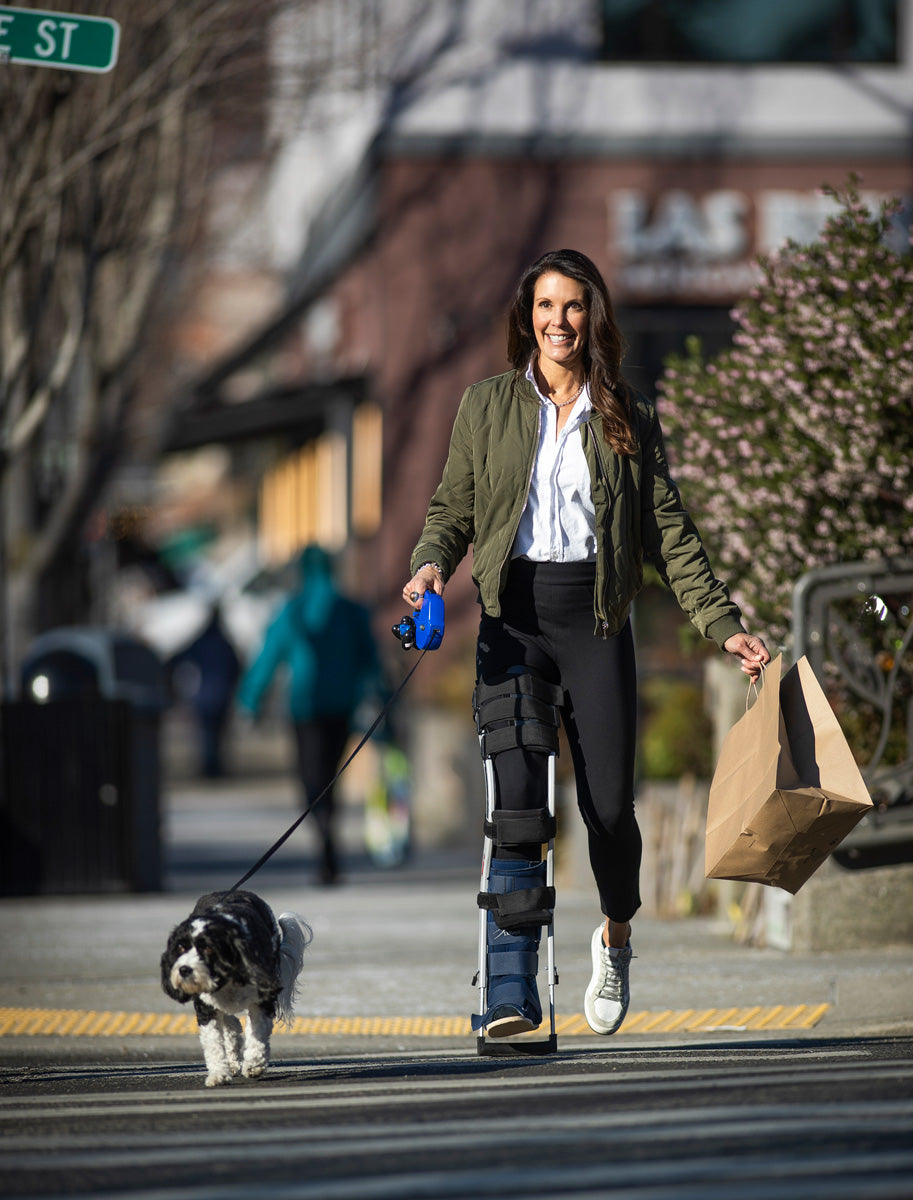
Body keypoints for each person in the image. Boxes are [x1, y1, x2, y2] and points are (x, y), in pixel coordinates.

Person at [402, 248, 769, 1040]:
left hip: (596, 624)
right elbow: (450, 510)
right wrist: (430, 565)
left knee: (607, 813)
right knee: (519, 809)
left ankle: (616, 937)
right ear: (525, 316)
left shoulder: (627, 417)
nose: (557, 321)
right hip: (512, 624)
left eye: (571, 306)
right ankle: (510, 985)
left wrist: (724, 625)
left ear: (591, 316)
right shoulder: (486, 406)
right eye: (544, 306)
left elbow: (669, 537)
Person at [238, 544, 381, 885]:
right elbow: (370, 661)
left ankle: (323, 836)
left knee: (310, 779)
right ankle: (329, 830)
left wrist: (250, 701)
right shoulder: (352, 611)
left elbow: (268, 658)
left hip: (304, 708)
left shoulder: (292, 610)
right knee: (332, 777)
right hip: (342, 706)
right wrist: (380, 697)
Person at [168, 605, 241, 779]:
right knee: (218, 734)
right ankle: (215, 768)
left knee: (206, 734)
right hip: (222, 696)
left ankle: (209, 769)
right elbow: (237, 668)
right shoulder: (225, 644)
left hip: (203, 696)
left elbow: (178, 657)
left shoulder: (200, 642)